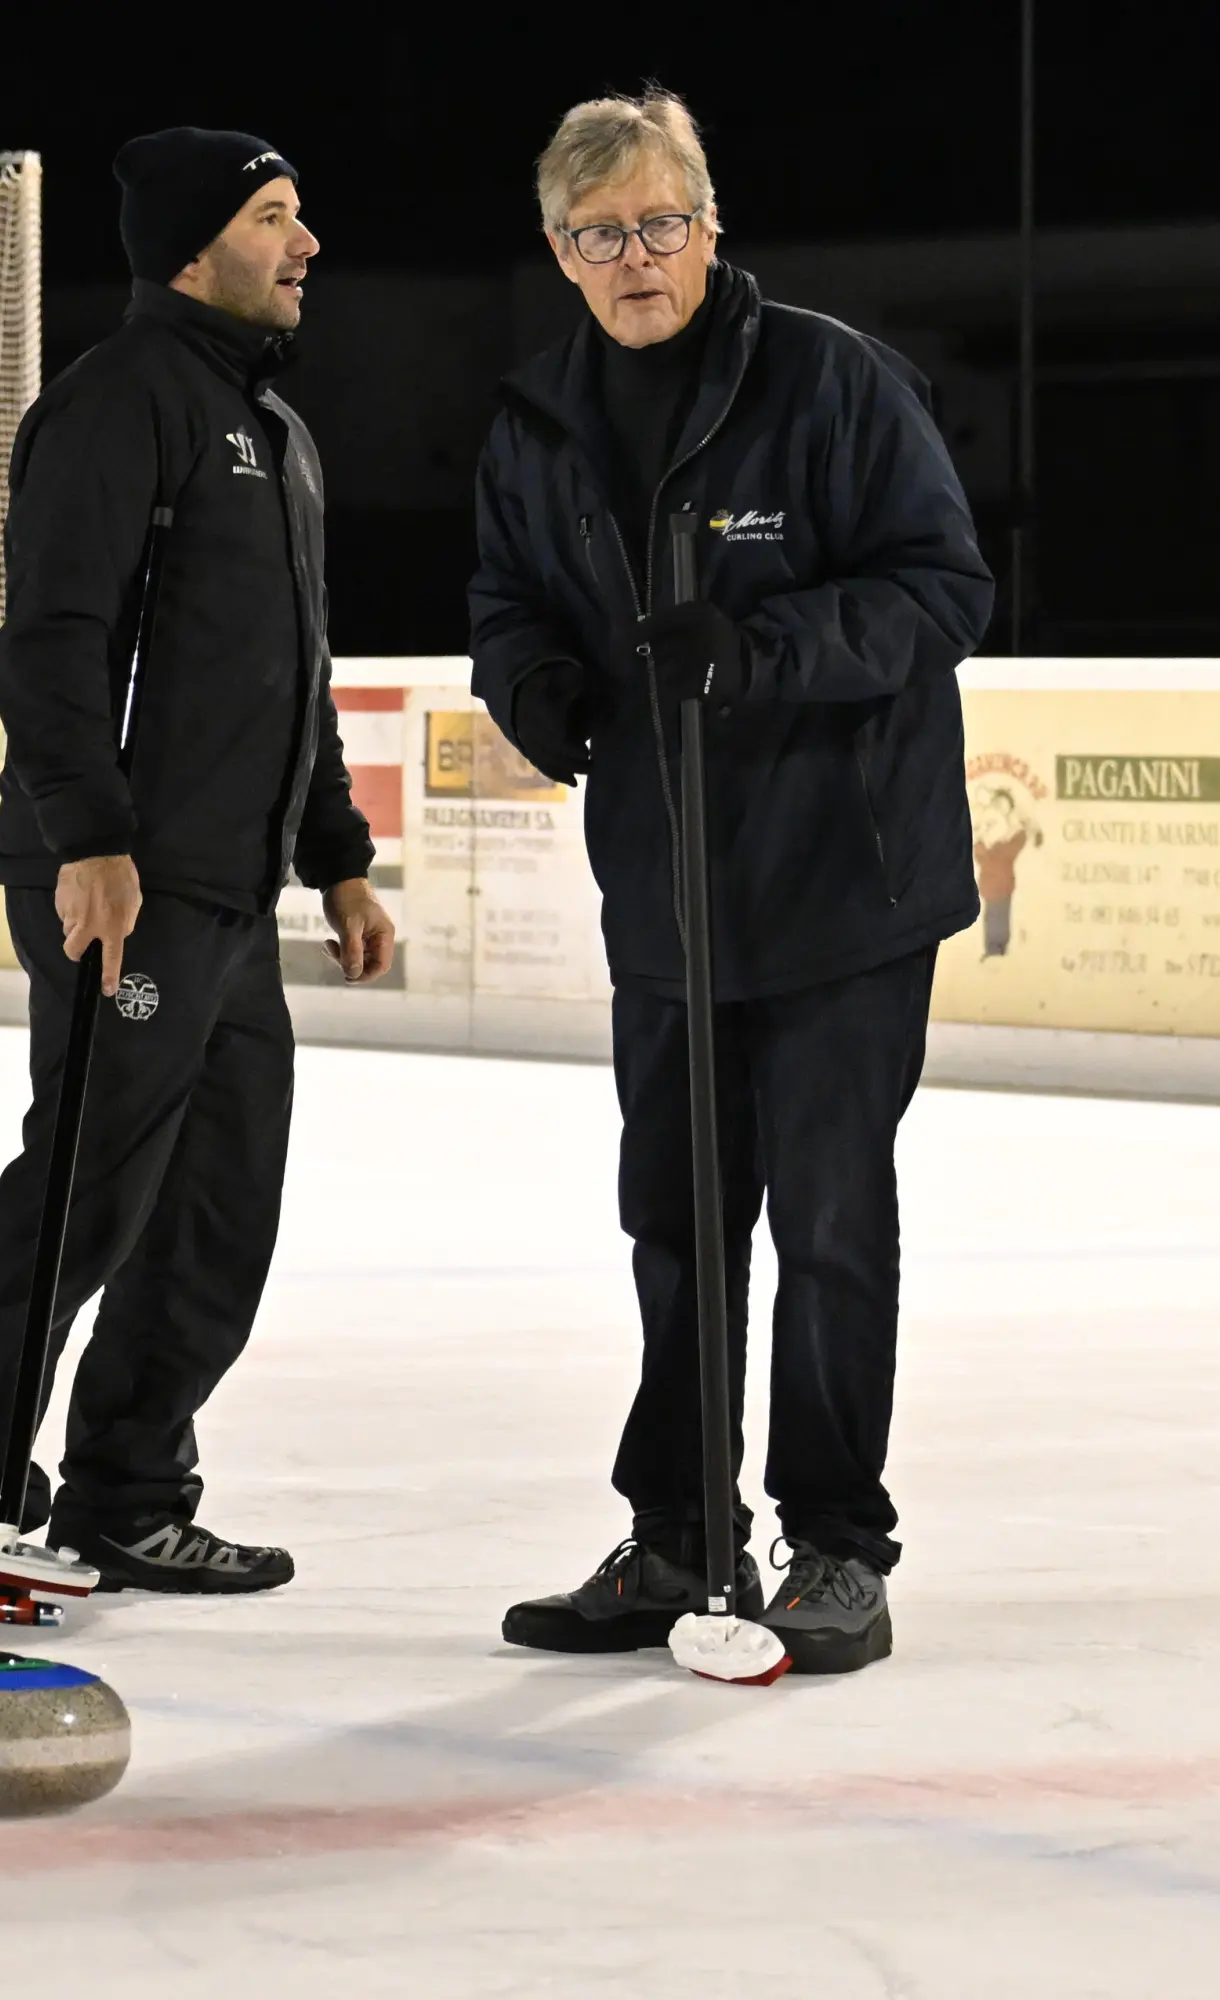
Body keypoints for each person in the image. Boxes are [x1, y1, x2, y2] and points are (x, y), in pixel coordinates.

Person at [469, 92, 991, 1672]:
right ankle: (682, 1535)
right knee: (679, 1227)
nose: (636, 258)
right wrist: (535, 686)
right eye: (600, 234)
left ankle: (835, 1546)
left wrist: (757, 652)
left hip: (846, 884)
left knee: (828, 1222)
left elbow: (942, 588)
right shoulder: (540, 422)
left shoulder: (829, 381)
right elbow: (504, 601)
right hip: (674, 896)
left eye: (660, 224)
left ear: (710, 226)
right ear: (559, 255)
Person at [0, 129, 396, 1598]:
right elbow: (49, 645)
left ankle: (128, 1490)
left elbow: (294, 676)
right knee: (89, 1184)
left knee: (224, 1199)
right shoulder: (116, 407)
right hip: (124, 878)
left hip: (232, 894)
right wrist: (89, 839)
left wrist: (340, 856)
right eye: (276, 217)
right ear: (193, 246)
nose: (307, 245)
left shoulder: (279, 435)